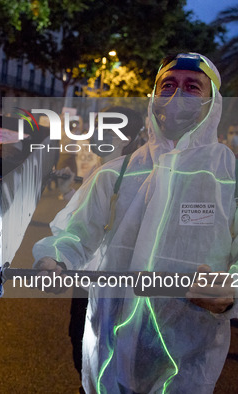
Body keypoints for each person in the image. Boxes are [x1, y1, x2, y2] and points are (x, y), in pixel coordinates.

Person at [33, 53, 238, 393]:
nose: (176, 96)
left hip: (184, 368)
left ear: (212, 102)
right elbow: (73, 235)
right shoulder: (116, 174)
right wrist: (53, 260)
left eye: (191, 87)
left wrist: (233, 290)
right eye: (167, 85)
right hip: (107, 360)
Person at [55, 106, 145, 392]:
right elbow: (84, 222)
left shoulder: (135, 174)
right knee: (80, 342)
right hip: (86, 275)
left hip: (114, 283)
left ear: (126, 136)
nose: (95, 133)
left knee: (103, 352)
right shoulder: (99, 169)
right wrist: (69, 190)